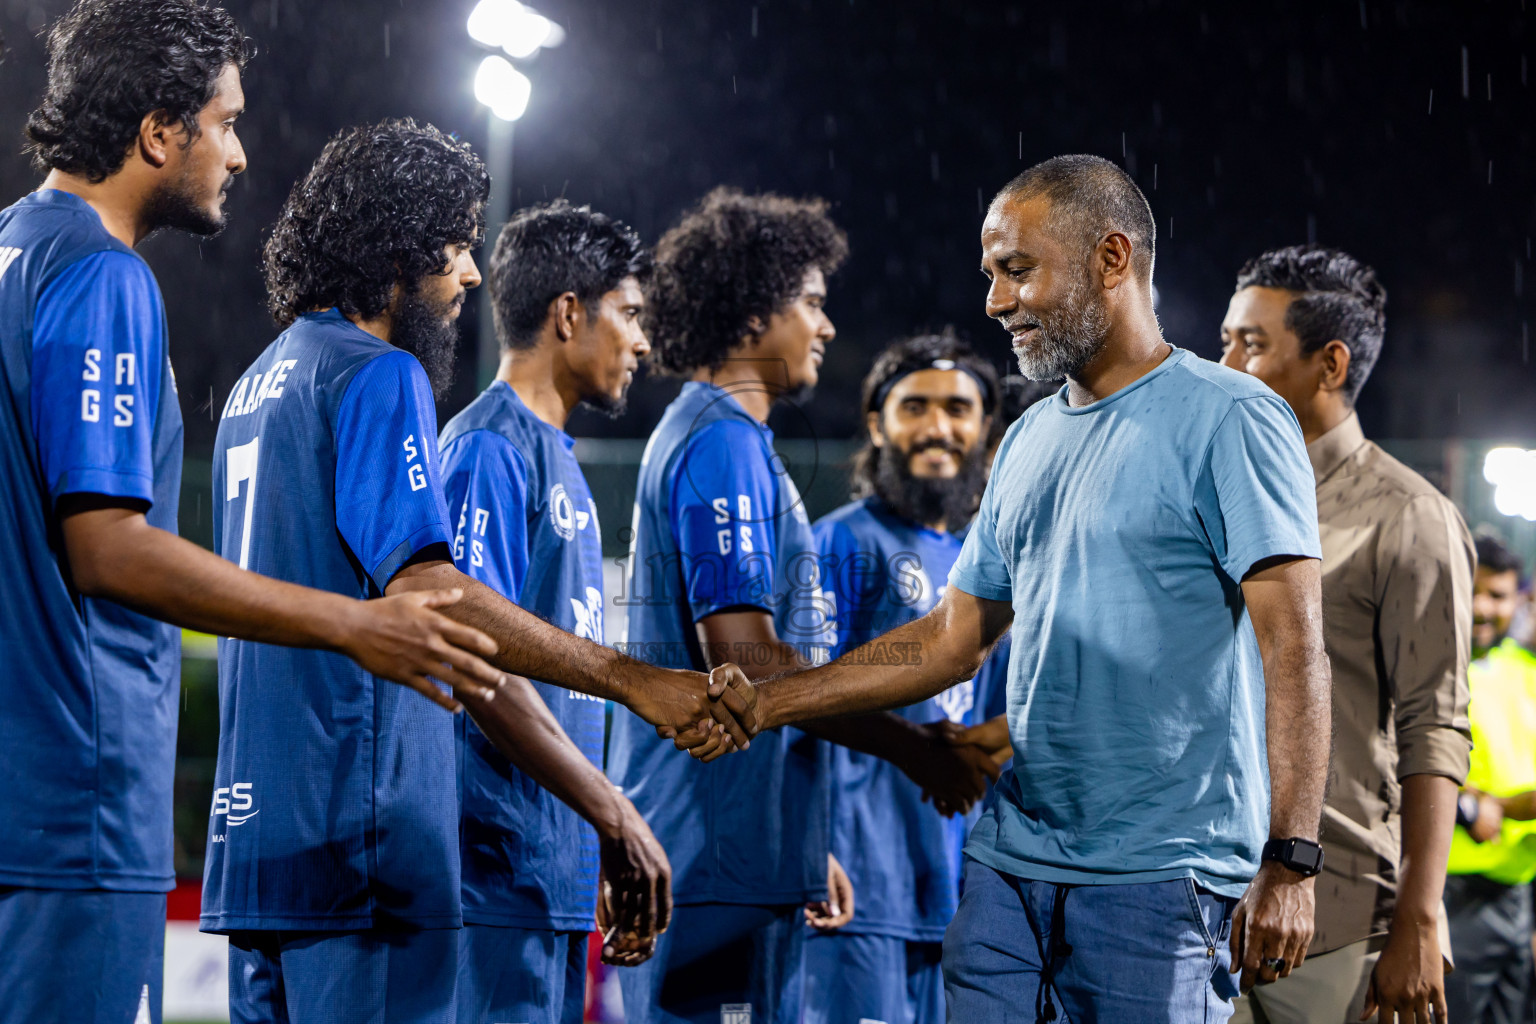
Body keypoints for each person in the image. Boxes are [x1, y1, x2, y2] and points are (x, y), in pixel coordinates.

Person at [706, 154, 1333, 1023]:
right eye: (991, 274)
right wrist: (775, 698)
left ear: (1112, 260)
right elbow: (951, 636)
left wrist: (1292, 862)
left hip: (1162, 879)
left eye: (1018, 269)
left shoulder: (1232, 416)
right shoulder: (1031, 435)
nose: (997, 301)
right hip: (1009, 872)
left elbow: (1295, 645)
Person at [0, 7, 507, 1023]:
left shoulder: (12, 251)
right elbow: (105, 549)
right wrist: (355, 621)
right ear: (157, 132)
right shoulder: (101, 274)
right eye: (224, 123)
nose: (237, 153)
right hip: (75, 813)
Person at [201, 121, 748, 1024]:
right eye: (455, 244)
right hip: (363, 835)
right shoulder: (382, 374)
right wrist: (629, 683)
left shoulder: (258, 386)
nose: (470, 274)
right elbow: (433, 592)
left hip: (262, 843)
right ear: (400, 245)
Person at [608, 187, 999, 1024]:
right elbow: (746, 662)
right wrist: (911, 746)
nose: (825, 326)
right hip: (714, 850)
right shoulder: (719, 441)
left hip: (752, 846)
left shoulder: (728, 438)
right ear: (756, 312)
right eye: (813, 303)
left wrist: (806, 831)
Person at [1218, 245, 1473, 1024]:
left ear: (1330, 364)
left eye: (1250, 344)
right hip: (1207, 914)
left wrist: (1419, 921)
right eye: (1226, 337)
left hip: (1339, 925)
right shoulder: (1222, 498)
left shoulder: (1408, 515)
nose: (1222, 361)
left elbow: (1435, 726)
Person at [437, 199, 658, 1023]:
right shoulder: (488, 448)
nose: (641, 341)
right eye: (630, 316)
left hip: (545, 878)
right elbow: (471, 659)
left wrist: (591, 828)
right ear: (569, 313)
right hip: (487, 880)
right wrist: (611, 809)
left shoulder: (556, 460)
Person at [803, 332, 1014, 1024]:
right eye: (914, 406)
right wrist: (815, 845)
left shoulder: (990, 562)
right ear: (877, 424)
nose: (937, 427)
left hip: (955, 886)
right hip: (860, 885)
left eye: (958, 409)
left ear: (985, 428)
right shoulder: (842, 542)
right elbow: (801, 702)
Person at [1441, 535, 1536, 1024]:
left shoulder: (1525, 670)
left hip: (1518, 887)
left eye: (1497, 595)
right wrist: (1473, 805)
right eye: (1472, 590)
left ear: (1519, 599)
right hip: (1452, 887)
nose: (1481, 607)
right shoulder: (1430, 665)